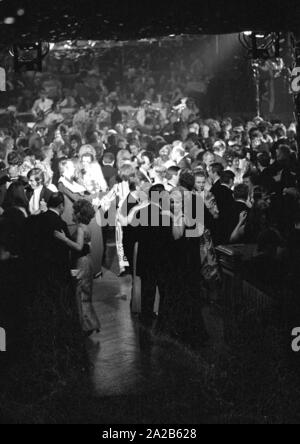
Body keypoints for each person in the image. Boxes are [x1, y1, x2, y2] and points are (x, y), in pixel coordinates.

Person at [54, 199, 101, 336]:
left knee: (81, 293)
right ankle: (90, 324)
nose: (72, 215)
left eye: (74, 212)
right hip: (86, 261)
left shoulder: (80, 228)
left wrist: (63, 238)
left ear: (79, 214)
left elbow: (79, 246)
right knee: (84, 293)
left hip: (82, 262)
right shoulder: (86, 227)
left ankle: (87, 326)